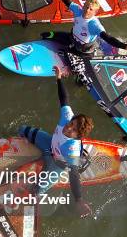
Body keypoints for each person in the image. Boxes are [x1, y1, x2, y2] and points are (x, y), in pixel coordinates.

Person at [19, 66, 92, 217]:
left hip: (57, 164)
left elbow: (74, 175)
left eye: (73, 130)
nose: (68, 128)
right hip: (49, 143)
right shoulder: (67, 116)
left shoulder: (71, 149)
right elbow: (64, 98)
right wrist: (58, 78)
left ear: (77, 136)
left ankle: (31, 207)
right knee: (22, 130)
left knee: (36, 191)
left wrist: (79, 199)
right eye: (71, 123)